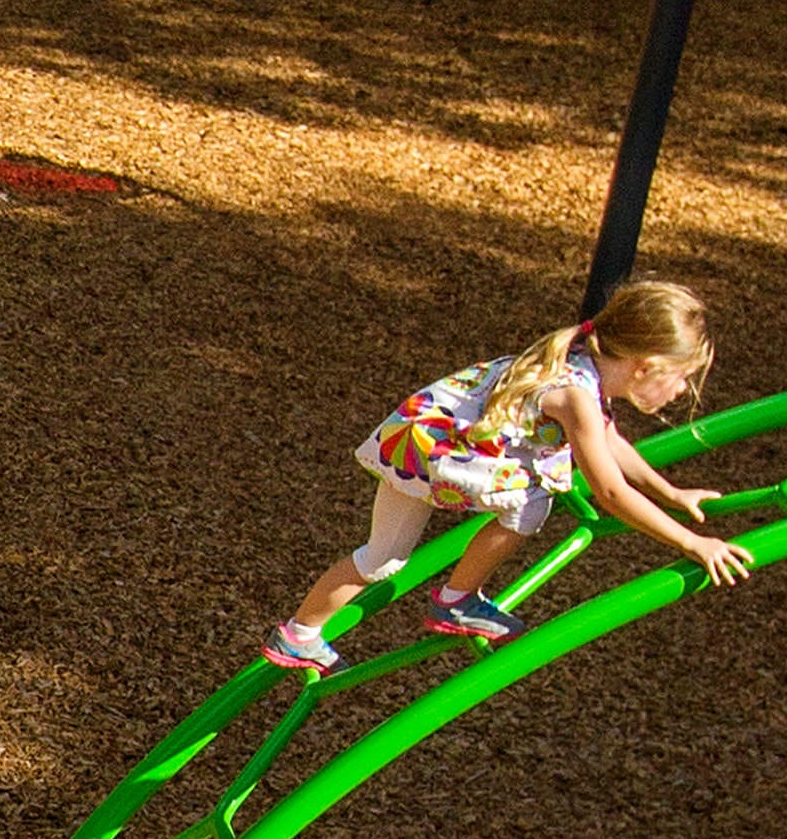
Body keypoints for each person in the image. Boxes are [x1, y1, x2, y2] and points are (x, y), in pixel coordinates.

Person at [259, 272, 747, 672]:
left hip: (414, 445)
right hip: (444, 455)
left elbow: (610, 443)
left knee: (383, 558)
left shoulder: (577, 358)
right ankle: (456, 599)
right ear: (646, 367)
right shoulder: (576, 393)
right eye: (681, 378)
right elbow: (611, 494)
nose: (682, 391)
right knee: (533, 500)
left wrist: (670, 492)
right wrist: (692, 543)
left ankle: (298, 634)